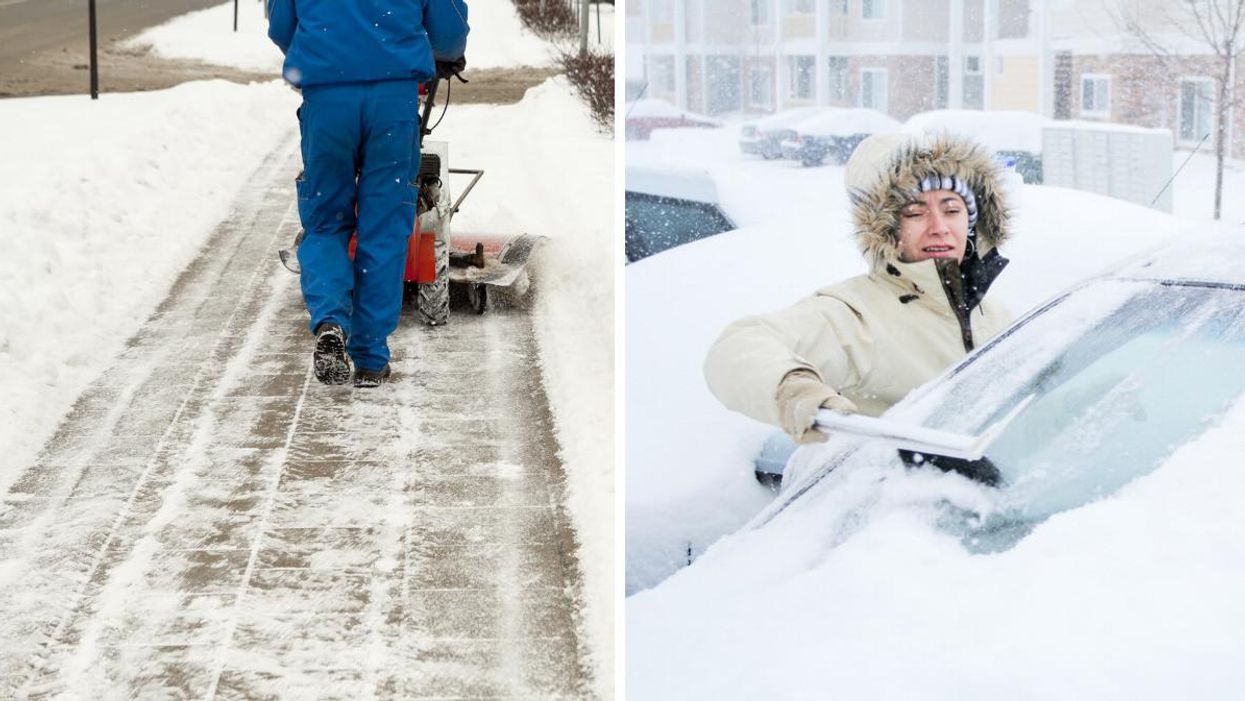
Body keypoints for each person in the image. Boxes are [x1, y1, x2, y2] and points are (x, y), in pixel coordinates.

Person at [704, 132, 1015, 447]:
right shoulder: (856, 316)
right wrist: (793, 390)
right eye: (915, 213)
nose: (939, 227)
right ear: (885, 229)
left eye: (951, 210)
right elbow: (739, 346)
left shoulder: (997, 317)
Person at [267, 0, 469, 387]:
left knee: (326, 222)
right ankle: (371, 357)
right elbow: (449, 30)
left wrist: (325, 54)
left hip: (327, 101)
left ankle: (330, 321)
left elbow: (280, 28)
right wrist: (448, 55)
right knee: (385, 225)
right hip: (392, 101)